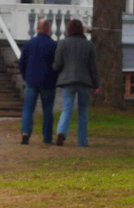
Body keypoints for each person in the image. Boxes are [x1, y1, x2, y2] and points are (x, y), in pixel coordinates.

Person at [52, 19, 98, 147]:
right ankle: (82, 141)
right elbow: (93, 67)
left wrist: (54, 69)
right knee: (83, 110)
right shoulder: (88, 45)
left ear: (69, 29)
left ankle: (61, 132)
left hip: (68, 81)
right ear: (82, 29)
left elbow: (58, 64)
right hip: (84, 81)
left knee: (67, 109)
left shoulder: (63, 43)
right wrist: (96, 85)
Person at [19, 18, 58, 146]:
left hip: (31, 80)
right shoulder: (53, 45)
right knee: (47, 110)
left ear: (37, 29)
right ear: (48, 30)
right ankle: (47, 137)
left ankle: (25, 132)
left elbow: (22, 63)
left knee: (28, 108)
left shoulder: (29, 44)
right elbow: (57, 65)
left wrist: (26, 76)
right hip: (48, 81)